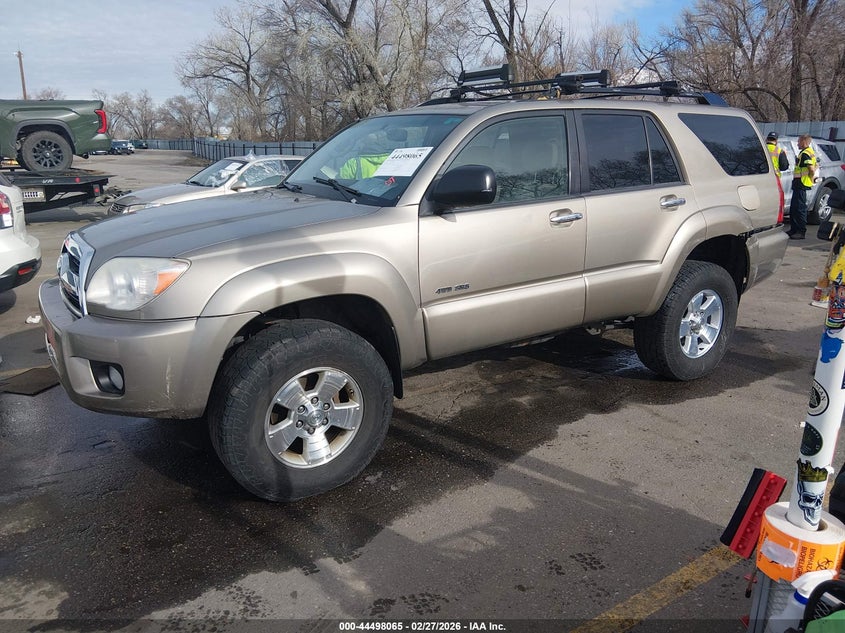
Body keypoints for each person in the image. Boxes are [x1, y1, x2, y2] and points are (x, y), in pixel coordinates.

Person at [788, 134, 818, 240]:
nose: (797, 144)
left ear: (804, 142)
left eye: (799, 141)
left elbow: (811, 169)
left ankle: (800, 232)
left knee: (800, 209)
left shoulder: (805, 154)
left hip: (801, 184)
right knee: (794, 208)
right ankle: (793, 230)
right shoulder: (808, 152)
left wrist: (811, 177)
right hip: (799, 184)